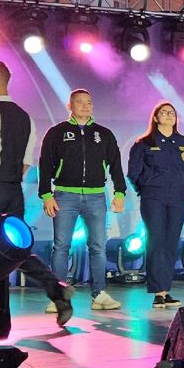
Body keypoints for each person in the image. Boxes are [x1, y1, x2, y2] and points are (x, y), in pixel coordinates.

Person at [0, 60, 73, 326]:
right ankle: (56, 289)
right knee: (12, 249)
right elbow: (25, 162)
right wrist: (9, 184)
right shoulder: (25, 117)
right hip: (14, 191)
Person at [38, 88, 128, 312]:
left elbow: (115, 164)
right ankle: (59, 297)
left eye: (89, 102)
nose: (86, 106)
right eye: (80, 102)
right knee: (61, 246)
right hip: (64, 195)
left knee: (98, 246)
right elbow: (45, 163)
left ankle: (99, 294)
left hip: (96, 196)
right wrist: (46, 194)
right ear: (70, 106)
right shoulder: (56, 132)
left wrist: (119, 192)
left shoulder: (103, 134)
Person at [127, 102, 184, 308]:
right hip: (153, 197)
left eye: (172, 113)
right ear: (156, 117)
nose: (168, 115)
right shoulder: (144, 143)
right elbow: (134, 172)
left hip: (177, 197)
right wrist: (147, 186)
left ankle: (166, 290)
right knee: (157, 241)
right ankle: (158, 292)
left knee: (171, 242)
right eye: (164, 113)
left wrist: (183, 184)